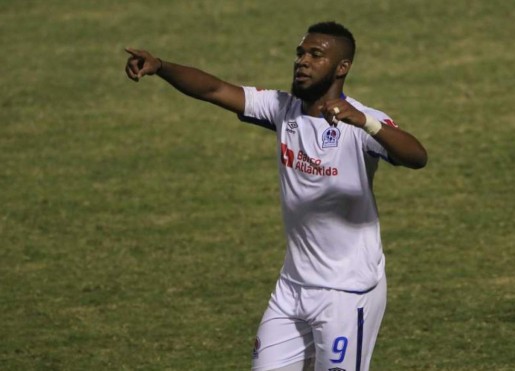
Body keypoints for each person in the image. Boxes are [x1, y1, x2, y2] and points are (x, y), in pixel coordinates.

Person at [125, 21, 427, 371]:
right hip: (292, 288)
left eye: (316, 55)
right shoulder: (283, 109)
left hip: (348, 293)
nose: (303, 61)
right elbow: (213, 90)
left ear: (342, 67)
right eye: (300, 53)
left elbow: (417, 157)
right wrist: (161, 67)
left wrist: (364, 123)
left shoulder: (362, 123)